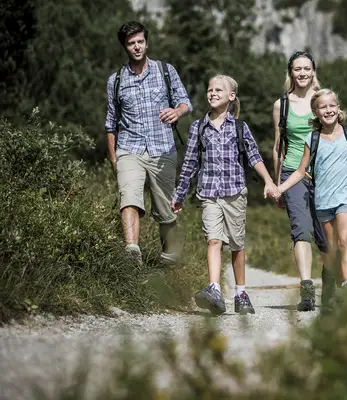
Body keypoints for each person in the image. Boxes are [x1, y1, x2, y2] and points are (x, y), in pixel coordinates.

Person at [171, 74, 278, 316]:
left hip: (234, 194)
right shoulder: (199, 127)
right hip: (208, 193)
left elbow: (254, 157)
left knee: (237, 246)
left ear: (231, 97)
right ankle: (215, 290)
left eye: (219, 90)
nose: (212, 93)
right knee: (214, 240)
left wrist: (269, 181)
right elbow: (189, 164)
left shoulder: (239, 127)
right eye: (210, 89)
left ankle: (241, 293)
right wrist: (179, 195)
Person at [276, 89, 347, 298]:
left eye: (332, 106)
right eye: (323, 107)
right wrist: (281, 188)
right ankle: (331, 281)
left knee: (344, 240)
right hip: (323, 199)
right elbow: (301, 171)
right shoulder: (312, 139)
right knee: (330, 249)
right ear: (316, 112)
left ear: (338, 108)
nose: (328, 110)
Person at [105, 21, 192, 266]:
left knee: (166, 211)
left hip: (162, 149)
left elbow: (185, 102)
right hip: (129, 149)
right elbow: (111, 123)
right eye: (131, 43)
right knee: (129, 197)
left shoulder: (166, 70)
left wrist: (178, 112)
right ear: (125, 46)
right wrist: (114, 158)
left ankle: (170, 259)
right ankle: (132, 252)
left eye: (140, 41)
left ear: (146, 42)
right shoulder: (116, 80)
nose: (136, 47)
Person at [271, 51, 329, 311]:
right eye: (297, 69)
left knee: (326, 237)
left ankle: (330, 288)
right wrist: (277, 185)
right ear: (291, 72)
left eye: (306, 68)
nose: (302, 73)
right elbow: (277, 147)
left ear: (313, 70)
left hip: (326, 175)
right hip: (293, 174)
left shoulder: (325, 99)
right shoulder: (281, 105)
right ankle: (307, 288)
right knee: (300, 230)